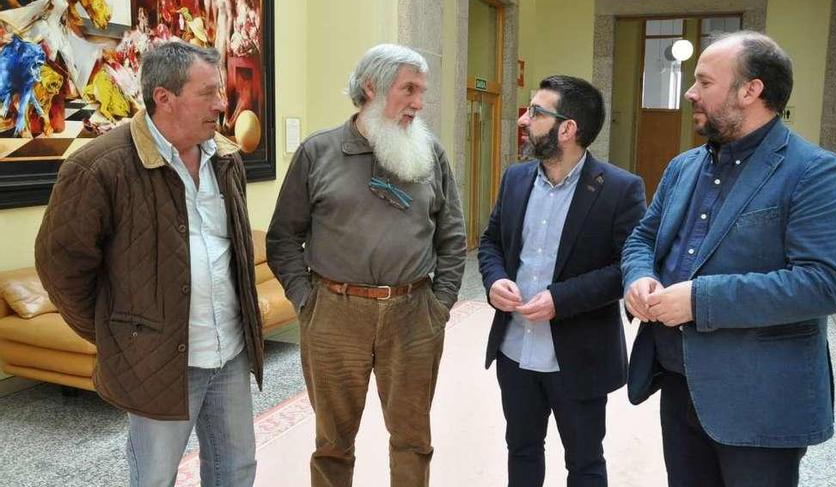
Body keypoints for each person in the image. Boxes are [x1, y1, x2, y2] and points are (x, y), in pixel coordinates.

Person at [622, 31, 836, 486]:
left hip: (760, 401)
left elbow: (824, 283)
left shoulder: (814, 172)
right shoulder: (683, 167)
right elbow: (643, 238)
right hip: (678, 382)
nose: (690, 93)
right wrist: (638, 277)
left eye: (704, 82)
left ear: (751, 91)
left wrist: (699, 301)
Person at [35, 42, 263, 487]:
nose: (222, 103)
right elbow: (60, 267)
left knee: (236, 470)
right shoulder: (99, 167)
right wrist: (116, 333)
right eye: (208, 93)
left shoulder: (226, 159)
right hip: (160, 361)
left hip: (230, 352)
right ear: (164, 97)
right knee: (155, 477)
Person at [266, 43, 466, 487]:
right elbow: (283, 238)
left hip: (413, 315)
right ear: (371, 87)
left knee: (413, 439)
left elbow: (452, 237)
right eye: (409, 89)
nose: (419, 102)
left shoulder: (430, 154)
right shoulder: (317, 153)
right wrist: (307, 301)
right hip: (334, 314)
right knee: (333, 444)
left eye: (423, 91)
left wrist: (440, 305)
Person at [478, 75, 646, 486]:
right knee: (521, 450)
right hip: (515, 349)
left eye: (535, 112)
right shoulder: (515, 179)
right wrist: (495, 279)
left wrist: (560, 300)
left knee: (585, 463)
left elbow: (628, 267)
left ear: (567, 129)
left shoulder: (620, 190)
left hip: (578, 355)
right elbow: (490, 243)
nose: (523, 118)